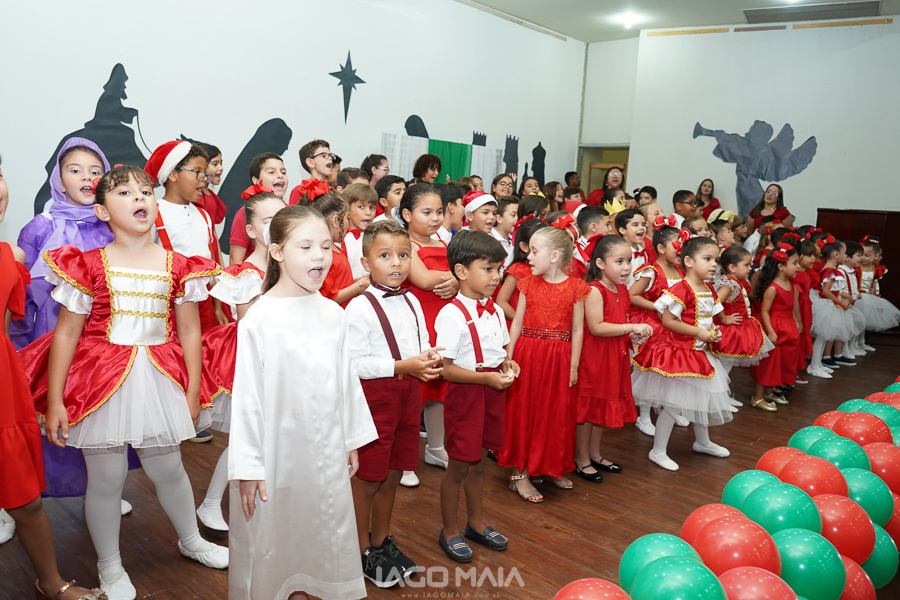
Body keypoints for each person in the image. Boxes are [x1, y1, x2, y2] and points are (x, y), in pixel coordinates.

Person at [21, 166, 227, 599]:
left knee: (169, 468)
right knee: (107, 477)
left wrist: (192, 391)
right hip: (99, 382)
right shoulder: (88, 265)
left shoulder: (178, 266)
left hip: (159, 377)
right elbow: (66, 334)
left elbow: (190, 330)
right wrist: (56, 400)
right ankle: (110, 567)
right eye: (124, 192)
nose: (139, 197)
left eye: (146, 191)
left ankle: (191, 539)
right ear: (102, 211)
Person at [229, 205, 378, 600]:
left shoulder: (333, 314)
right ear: (277, 252)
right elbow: (248, 399)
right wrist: (248, 466)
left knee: (320, 528)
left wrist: (350, 439)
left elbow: (346, 382)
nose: (319, 257)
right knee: (277, 536)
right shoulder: (260, 319)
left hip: (325, 450)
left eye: (326, 247)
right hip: (275, 453)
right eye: (306, 247)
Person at [1, 154, 108, 599]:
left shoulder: (9, 255)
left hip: (10, 384)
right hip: (41, 344)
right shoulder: (35, 232)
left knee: (25, 496)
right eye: (74, 169)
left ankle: (53, 580)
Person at [346, 221, 441, 586]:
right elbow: (355, 364)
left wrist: (428, 357)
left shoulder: (413, 300)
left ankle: (381, 540)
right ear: (366, 262)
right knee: (369, 477)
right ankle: (358, 551)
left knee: (396, 471)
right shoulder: (358, 308)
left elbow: (419, 342)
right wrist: (403, 366)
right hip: (376, 399)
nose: (396, 263)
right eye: (385, 255)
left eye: (403, 255)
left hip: (409, 394)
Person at [195, 189, 284, 532]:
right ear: (250, 231)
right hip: (251, 358)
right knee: (247, 438)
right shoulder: (247, 274)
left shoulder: (290, 267)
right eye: (268, 220)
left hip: (283, 357)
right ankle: (210, 503)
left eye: (281, 218)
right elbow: (250, 324)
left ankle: (263, 500)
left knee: (269, 438)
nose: (276, 225)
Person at [435, 231, 518, 561]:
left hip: (492, 392)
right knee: (458, 468)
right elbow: (445, 369)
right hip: (467, 396)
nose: (496, 277)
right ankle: (449, 530)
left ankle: (476, 523)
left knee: (480, 465)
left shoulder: (495, 310)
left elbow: (501, 352)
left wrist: (509, 364)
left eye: (499, 269)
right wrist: (487, 380)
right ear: (461, 271)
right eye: (488, 269)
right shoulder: (451, 314)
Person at [498, 226, 591, 502]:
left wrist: (573, 366)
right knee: (525, 412)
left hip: (559, 358)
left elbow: (578, 329)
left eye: (534, 251)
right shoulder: (527, 284)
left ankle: (549, 465)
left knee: (555, 413)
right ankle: (520, 473)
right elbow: (517, 323)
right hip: (528, 355)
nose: (528, 257)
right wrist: (509, 356)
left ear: (554, 256)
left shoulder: (576, 287)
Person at [632, 236, 734, 472]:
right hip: (679, 354)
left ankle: (702, 441)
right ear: (688, 261)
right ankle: (658, 451)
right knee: (674, 404)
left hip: (700, 353)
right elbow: (668, 321)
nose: (713, 264)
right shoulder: (681, 289)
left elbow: (708, 319)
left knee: (701, 398)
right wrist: (699, 332)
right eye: (707, 258)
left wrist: (713, 329)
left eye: (716, 259)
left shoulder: (708, 289)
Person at [13, 138, 113, 349]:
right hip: (50, 338)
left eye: (95, 172)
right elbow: (21, 300)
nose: (87, 176)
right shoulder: (40, 227)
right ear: (60, 182)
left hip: (105, 343)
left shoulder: (114, 226)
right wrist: (21, 352)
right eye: (75, 171)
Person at [575, 236, 651, 483]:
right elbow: (596, 327)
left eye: (629, 260)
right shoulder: (594, 290)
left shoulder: (621, 290)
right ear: (600, 263)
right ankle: (581, 459)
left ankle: (594, 454)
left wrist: (630, 337)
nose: (627, 267)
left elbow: (618, 323)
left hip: (614, 357)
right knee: (589, 410)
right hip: (595, 359)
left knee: (603, 408)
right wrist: (631, 327)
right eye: (619, 261)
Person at [400, 185, 459, 473]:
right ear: (407, 214)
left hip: (443, 320)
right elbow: (422, 279)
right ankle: (405, 460)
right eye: (426, 212)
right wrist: (457, 276)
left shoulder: (443, 242)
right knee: (416, 394)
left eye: (438, 212)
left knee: (438, 390)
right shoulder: (405, 244)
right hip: (418, 321)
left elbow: (456, 277)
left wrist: (458, 281)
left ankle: (436, 448)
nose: (435, 218)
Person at [144, 141, 227, 332]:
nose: (204, 178)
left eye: (205, 172)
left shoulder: (203, 215)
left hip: (205, 302)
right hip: (169, 304)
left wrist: (217, 307)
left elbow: (213, 264)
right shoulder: (155, 213)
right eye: (197, 172)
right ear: (173, 174)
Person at [628, 224, 687, 436]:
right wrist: (657, 307)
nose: (681, 250)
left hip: (673, 324)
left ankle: (666, 408)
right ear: (661, 249)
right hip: (653, 324)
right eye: (677, 246)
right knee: (651, 371)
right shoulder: (651, 271)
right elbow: (633, 295)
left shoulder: (680, 271)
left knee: (670, 369)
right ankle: (643, 415)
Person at [714, 246, 774, 406]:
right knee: (724, 367)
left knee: (727, 366)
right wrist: (724, 318)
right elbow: (714, 302)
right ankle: (719, 400)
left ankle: (724, 396)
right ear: (732, 268)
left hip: (739, 328)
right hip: (730, 331)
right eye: (746, 265)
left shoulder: (736, 282)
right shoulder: (728, 284)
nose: (750, 268)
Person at [749, 244, 802, 412]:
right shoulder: (772, 288)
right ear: (780, 266)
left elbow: (792, 306)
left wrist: (797, 322)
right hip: (774, 327)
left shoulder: (792, 284)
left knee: (782, 362)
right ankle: (757, 397)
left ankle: (769, 392)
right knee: (768, 364)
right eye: (794, 263)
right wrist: (771, 332)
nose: (798, 267)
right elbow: (764, 311)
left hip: (787, 327)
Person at [306, 190, 369, 307]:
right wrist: (359, 286)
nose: (348, 224)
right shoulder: (323, 256)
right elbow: (330, 298)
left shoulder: (335, 248)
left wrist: (359, 281)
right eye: (347, 218)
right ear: (335, 221)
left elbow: (340, 285)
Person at [809, 239, 859, 375]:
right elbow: (826, 291)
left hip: (828, 304)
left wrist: (841, 298)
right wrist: (840, 302)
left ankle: (818, 364)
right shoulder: (830, 271)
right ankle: (814, 366)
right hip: (826, 305)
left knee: (824, 338)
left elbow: (832, 290)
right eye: (844, 253)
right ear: (836, 255)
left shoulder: (830, 269)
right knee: (821, 338)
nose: (846, 256)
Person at [229, 153, 290, 264]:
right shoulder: (245, 213)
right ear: (256, 180)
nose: (280, 175)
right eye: (271, 172)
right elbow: (236, 259)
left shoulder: (290, 211)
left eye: (283, 172)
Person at [495, 217, 548, 322]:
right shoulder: (518, 270)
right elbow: (501, 302)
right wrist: (522, 322)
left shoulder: (548, 269)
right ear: (524, 247)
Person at [856, 237, 900, 340]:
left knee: (865, 321)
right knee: (857, 321)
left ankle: (861, 342)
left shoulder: (876, 268)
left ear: (875, 256)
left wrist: (873, 289)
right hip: (858, 297)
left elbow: (873, 280)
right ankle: (852, 344)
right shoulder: (857, 267)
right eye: (861, 255)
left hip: (869, 298)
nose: (863, 258)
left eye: (866, 256)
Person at [343, 183, 379, 279]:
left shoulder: (377, 237)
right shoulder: (342, 240)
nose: (368, 212)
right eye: (361, 207)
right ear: (347, 210)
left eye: (372, 207)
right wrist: (359, 282)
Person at [288, 139, 335, 203]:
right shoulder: (299, 190)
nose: (330, 158)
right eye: (324, 155)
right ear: (310, 163)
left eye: (330, 155)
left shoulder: (333, 191)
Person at [614, 208, 652, 287]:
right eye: (635, 225)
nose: (642, 228)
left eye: (643, 225)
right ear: (622, 230)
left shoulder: (643, 253)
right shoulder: (617, 253)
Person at [194, 141, 227, 230]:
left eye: (221, 163)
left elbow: (212, 229)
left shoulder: (211, 195)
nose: (221, 168)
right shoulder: (194, 196)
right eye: (215, 164)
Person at [492, 195, 519, 267]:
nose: (517, 219)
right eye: (513, 215)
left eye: (519, 215)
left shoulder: (515, 239)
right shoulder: (489, 239)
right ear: (499, 219)